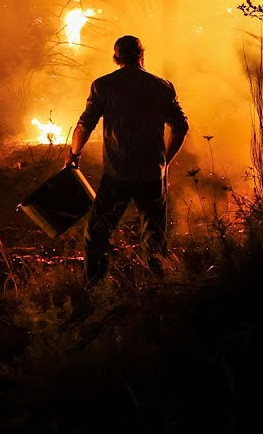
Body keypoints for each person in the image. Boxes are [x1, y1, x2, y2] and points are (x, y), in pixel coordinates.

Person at [65, 35, 189, 285]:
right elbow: (181, 127)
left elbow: (83, 126)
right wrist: (165, 161)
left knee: (97, 235)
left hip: (117, 176)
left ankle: (95, 289)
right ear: (142, 56)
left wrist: (73, 155)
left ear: (116, 58)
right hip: (151, 175)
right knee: (154, 237)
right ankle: (156, 291)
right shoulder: (162, 86)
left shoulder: (103, 86)